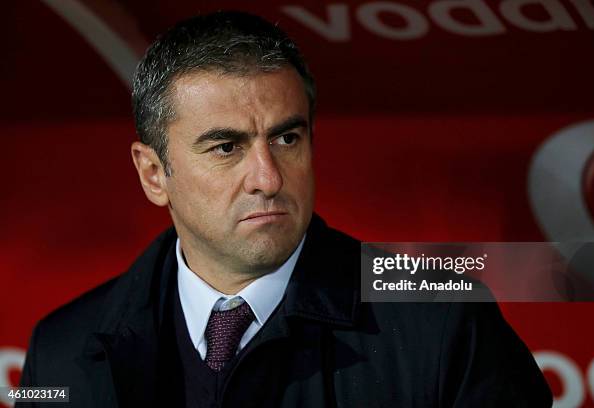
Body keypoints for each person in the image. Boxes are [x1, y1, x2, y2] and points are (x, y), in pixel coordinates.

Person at [18, 11, 552, 408]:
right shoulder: (60, 348)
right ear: (154, 174)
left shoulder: (444, 318)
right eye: (226, 147)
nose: (268, 177)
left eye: (287, 138)